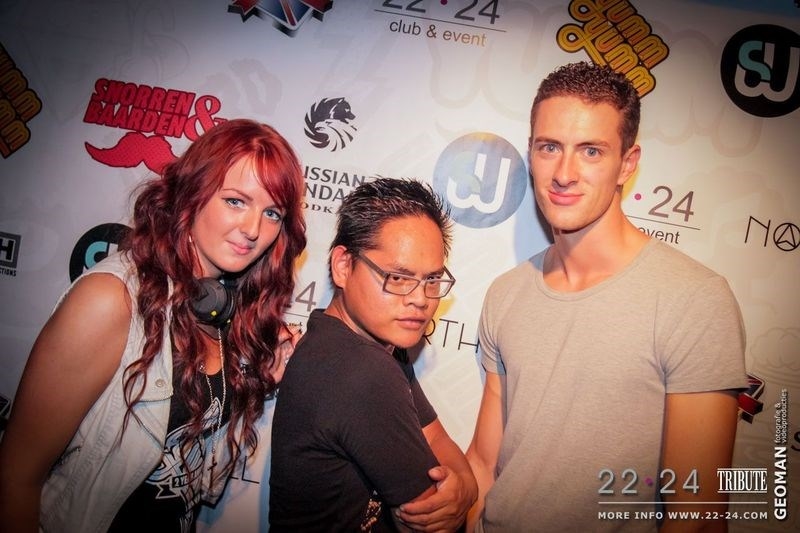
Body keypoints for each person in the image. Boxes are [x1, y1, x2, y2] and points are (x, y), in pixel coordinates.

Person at [466, 62, 748, 532]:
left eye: (591, 151)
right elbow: (482, 463)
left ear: (628, 164)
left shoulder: (694, 299)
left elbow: (696, 514)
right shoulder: (506, 293)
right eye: (549, 147)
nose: (564, 173)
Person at [0, 118, 307, 532]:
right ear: (192, 192)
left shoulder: (220, 309)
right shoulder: (110, 300)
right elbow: (16, 478)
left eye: (272, 213)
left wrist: (255, 380)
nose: (253, 229)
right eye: (235, 201)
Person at [269, 178, 477, 532]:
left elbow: (437, 440)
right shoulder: (361, 369)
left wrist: (466, 488)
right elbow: (429, 521)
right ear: (343, 266)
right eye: (398, 278)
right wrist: (462, 492)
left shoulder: (355, 340)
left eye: (431, 280)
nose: (420, 299)